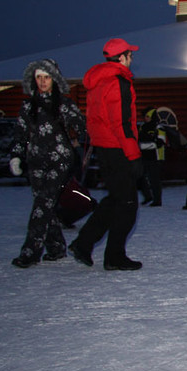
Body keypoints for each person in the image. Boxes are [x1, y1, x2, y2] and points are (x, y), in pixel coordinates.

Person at [68, 38, 143, 270]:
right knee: (128, 204)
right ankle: (114, 256)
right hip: (117, 148)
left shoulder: (98, 81)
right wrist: (134, 156)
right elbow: (122, 123)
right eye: (130, 54)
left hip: (103, 147)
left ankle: (84, 242)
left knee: (115, 199)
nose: (132, 58)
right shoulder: (119, 82)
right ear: (121, 58)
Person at [9, 59, 86, 268]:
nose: (43, 82)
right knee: (45, 205)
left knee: (42, 204)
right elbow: (20, 133)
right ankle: (56, 247)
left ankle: (30, 251)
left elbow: (82, 127)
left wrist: (81, 141)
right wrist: (16, 155)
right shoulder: (28, 105)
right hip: (35, 160)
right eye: (39, 78)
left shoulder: (64, 104)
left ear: (55, 79)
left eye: (47, 77)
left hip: (59, 160)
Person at [138, 107, 164, 207]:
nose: (146, 118)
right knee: (140, 178)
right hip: (144, 157)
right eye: (145, 116)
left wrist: (146, 144)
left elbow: (160, 143)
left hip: (155, 157)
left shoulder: (158, 127)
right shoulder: (143, 127)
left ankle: (157, 200)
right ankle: (148, 196)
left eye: (148, 116)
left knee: (155, 180)